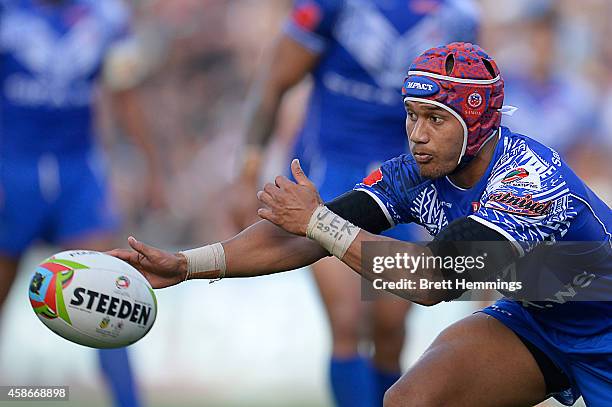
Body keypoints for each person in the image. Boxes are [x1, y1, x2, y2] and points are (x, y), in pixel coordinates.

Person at [111, 42, 611, 406]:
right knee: (410, 402)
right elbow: (301, 238)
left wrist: (319, 222)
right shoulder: (414, 172)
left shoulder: (528, 179)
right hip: (541, 322)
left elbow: (434, 281)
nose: (416, 134)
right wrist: (186, 264)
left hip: (606, 325)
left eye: (435, 119)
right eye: (412, 115)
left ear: (478, 121)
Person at [228, 1, 480, 404]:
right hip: (332, 174)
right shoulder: (333, 6)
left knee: (390, 329)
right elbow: (275, 79)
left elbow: (469, 114)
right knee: (347, 322)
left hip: (407, 183)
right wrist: (248, 169)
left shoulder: (458, 17)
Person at [0, 1, 164, 406]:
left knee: (109, 298)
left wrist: (152, 167)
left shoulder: (108, 17)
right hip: (10, 170)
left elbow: (124, 94)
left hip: (79, 174)